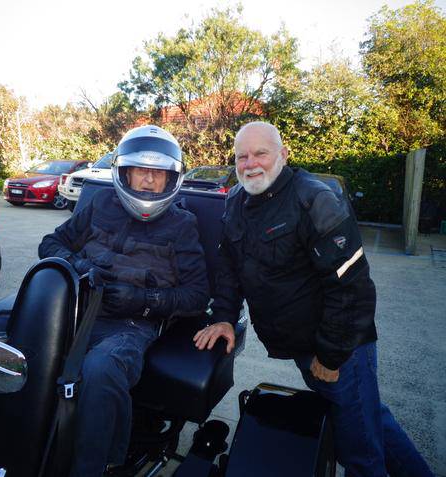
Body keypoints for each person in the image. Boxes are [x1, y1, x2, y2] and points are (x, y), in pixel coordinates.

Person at [194, 121, 433, 477]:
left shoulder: (315, 199)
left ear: (283, 155)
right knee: (370, 420)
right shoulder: (236, 203)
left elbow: (351, 288)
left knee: (358, 450)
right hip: (303, 346)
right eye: (242, 156)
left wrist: (331, 355)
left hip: (340, 348)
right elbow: (229, 268)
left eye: (261, 153)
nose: (250, 163)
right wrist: (225, 316)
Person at [38, 125, 209, 477]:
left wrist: (145, 300)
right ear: (124, 172)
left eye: (158, 173)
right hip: (72, 305)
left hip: (130, 324)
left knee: (101, 369)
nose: (148, 181)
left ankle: (96, 467)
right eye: (140, 171)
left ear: (170, 179)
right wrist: (80, 265)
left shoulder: (182, 225)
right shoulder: (101, 203)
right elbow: (51, 245)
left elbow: (197, 295)